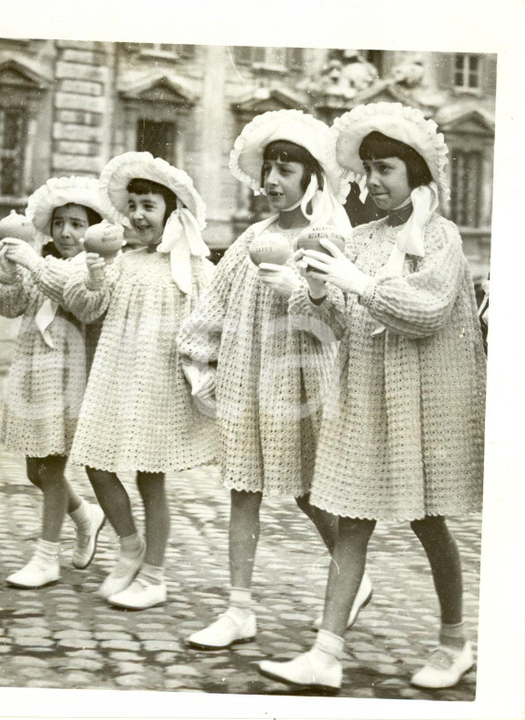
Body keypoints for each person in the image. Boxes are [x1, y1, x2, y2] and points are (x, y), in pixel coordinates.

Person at [258, 103, 486, 693]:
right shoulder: (357, 238)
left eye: (385, 169)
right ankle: (325, 651)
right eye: (366, 172)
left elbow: (427, 311)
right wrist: (313, 286)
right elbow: (333, 323)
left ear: (416, 173)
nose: (373, 182)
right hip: (365, 391)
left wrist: (356, 283)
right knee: (352, 519)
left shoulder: (442, 237)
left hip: (423, 398)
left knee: (428, 520)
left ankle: (455, 641)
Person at [178, 110, 371, 651]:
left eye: (287, 169)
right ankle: (239, 608)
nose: (273, 180)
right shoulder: (250, 239)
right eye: (269, 168)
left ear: (313, 176)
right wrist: (198, 356)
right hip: (247, 377)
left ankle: (352, 573)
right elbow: (214, 301)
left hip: (305, 383)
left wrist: (300, 288)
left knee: (312, 492)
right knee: (244, 488)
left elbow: (341, 321)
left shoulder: (329, 237)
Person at [60, 152, 218, 610]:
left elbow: (210, 324)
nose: (137, 215)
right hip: (115, 375)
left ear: (171, 211)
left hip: (162, 382)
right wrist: (93, 274)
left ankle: (155, 574)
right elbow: (88, 310)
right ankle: (130, 546)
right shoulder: (120, 261)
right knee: (94, 460)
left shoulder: (194, 268)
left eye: (148, 205)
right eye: (132, 205)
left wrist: (201, 369)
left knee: (151, 478)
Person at [0, 177, 119, 588]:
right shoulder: (39, 261)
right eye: (60, 223)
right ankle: (85, 515)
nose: (66, 232)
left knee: (51, 464)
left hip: (70, 375)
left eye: (78, 224)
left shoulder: (95, 268)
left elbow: (83, 300)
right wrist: (8, 270)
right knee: (36, 470)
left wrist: (32, 264)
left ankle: (46, 556)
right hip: (32, 371)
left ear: (93, 228)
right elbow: (7, 305)